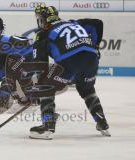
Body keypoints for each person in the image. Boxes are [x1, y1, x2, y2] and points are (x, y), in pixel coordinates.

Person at [28, 5, 110, 140]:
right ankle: (103, 123)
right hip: (92, 59)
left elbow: (40, 66)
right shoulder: (73, 23)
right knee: (87, 89)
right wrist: (94, 46)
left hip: (69, 62)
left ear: (42, 20)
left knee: (45, 86)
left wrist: (39, 89)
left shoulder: (43, 34)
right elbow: (97, 23)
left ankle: (48, 126)